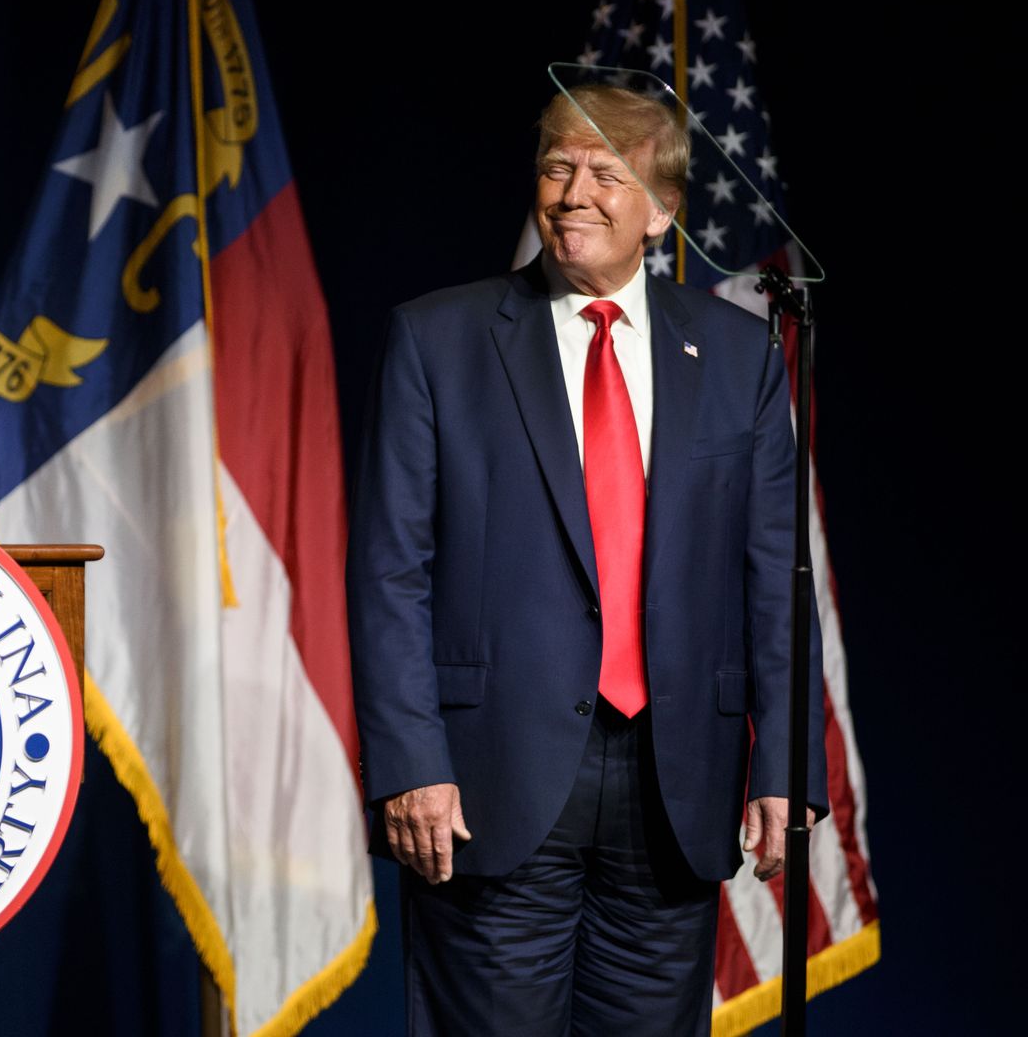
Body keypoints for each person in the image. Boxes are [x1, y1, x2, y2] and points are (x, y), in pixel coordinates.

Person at [347, 85, 828, 1035]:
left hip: (675, 783)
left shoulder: (739, 356)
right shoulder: (438, 339)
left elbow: (775, 575)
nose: (574, 193)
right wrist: (409, 759)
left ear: (661, 211)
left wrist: (784, 764)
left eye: (607, 174)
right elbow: (389, 568)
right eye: (558, 167)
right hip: (487, 781)